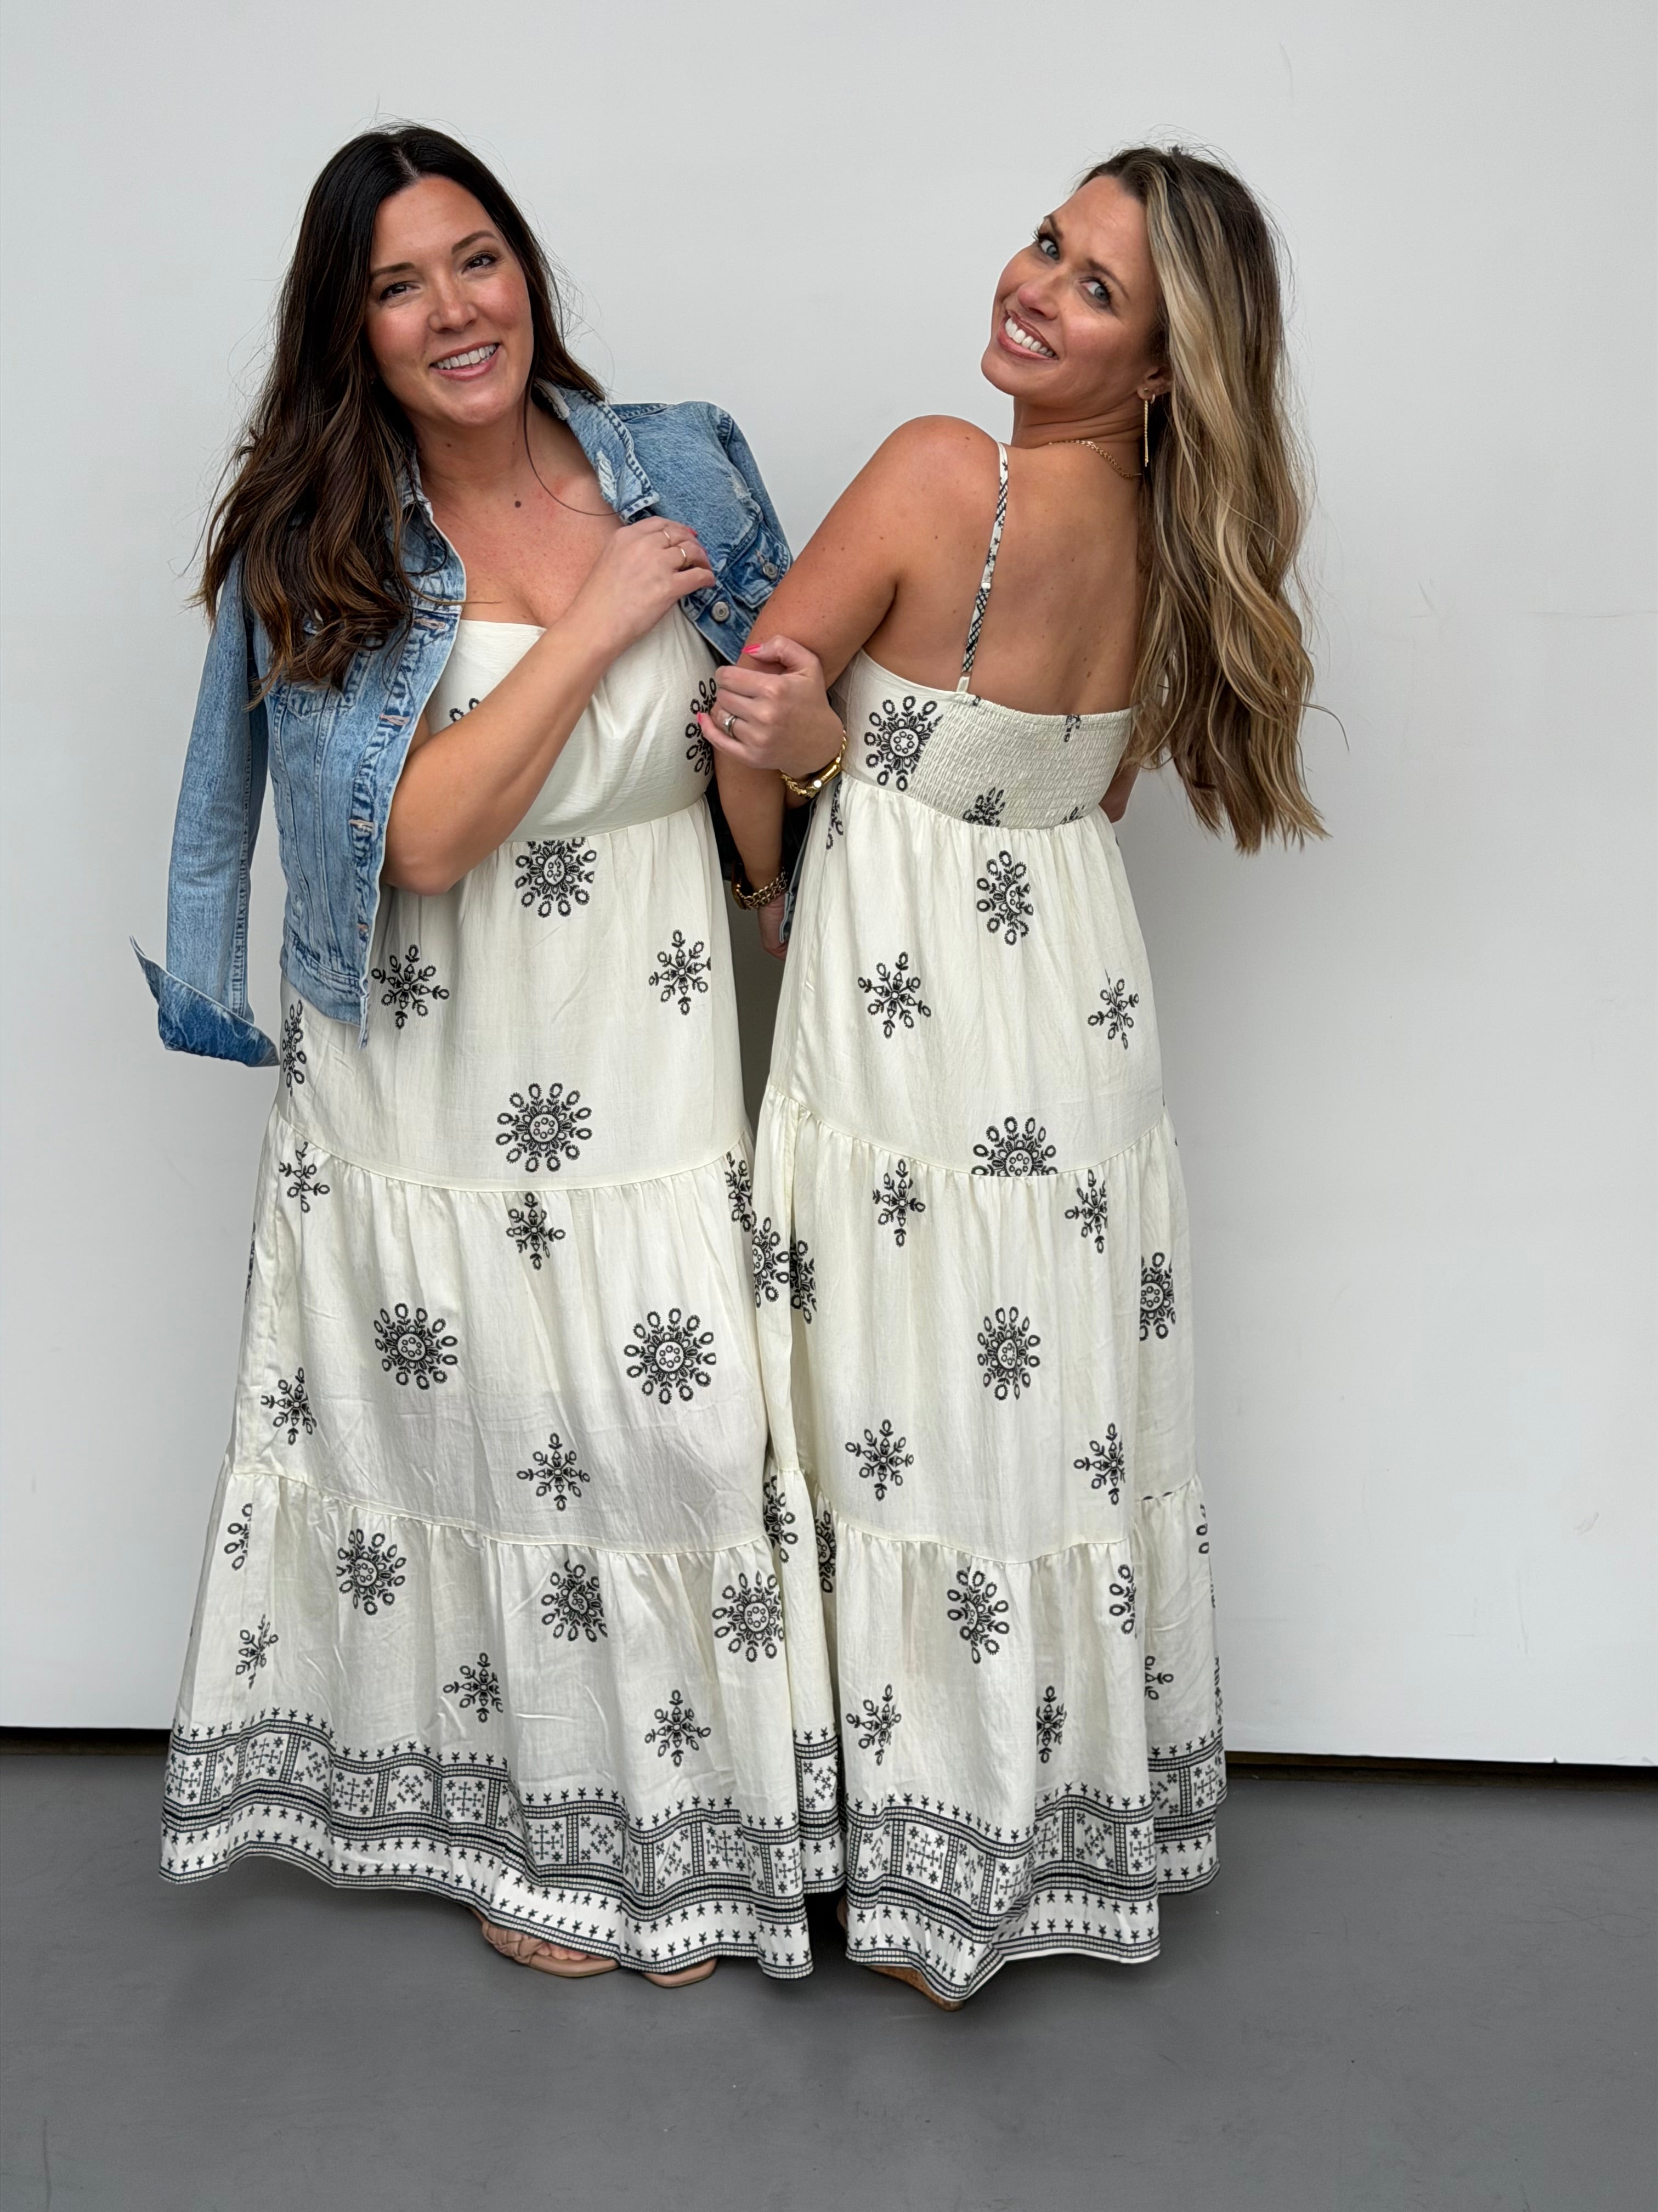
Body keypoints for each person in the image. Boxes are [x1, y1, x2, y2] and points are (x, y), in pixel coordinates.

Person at [137, 125, 835, 1987]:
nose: (454, 310)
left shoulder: (682, 463)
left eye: (476, 260)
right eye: (398, 286)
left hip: (649, 1036)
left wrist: (790, 751)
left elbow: (769, 796)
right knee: (496, 1439)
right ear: (349, 330)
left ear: (525, 268)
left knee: (676, 1431)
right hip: (432, 1065)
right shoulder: (325, 538)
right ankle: (532, 1832)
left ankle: (678, 1835)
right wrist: (595, 620)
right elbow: (425, 841)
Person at [707, 146, 1320, 2006]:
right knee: (1043, 1405)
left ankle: (903, 1852)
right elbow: (1084, 794)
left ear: (1163, 366)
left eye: (1096, 286)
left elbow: (748, 722)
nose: (1038, 284)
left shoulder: (936, 471)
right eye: (1051, 242)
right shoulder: (1182, 547)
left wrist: (779, 877)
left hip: (903, 1007)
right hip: (1073, 1004)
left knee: (891, 1389)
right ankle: (1035, 1823)